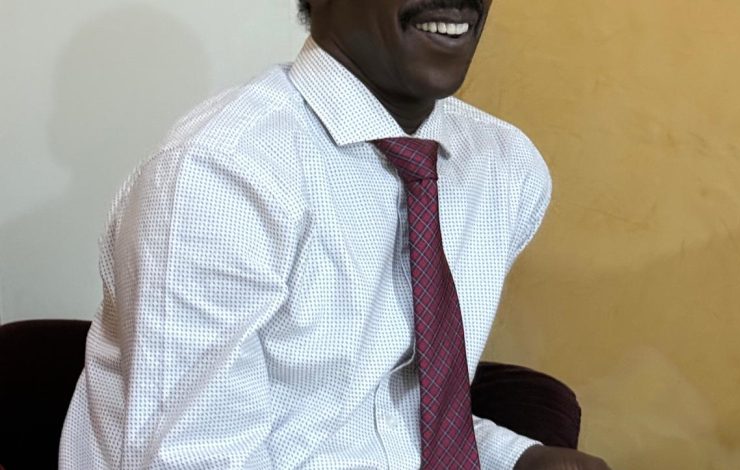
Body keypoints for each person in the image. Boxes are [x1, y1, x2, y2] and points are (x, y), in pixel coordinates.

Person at [60, 0, 611, 468]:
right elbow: (193, 458)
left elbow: (380, 408)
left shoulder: (504, 167)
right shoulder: (221, 175)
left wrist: (516, 457)